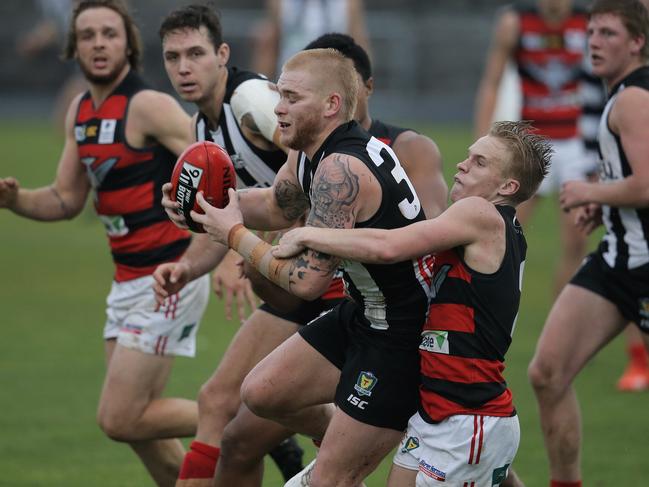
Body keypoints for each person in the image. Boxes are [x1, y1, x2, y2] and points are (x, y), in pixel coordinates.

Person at [155, 24, 446, 487]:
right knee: (260, 392)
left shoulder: (339, 168)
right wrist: (205, 208)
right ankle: (360, 430)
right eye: (279, 95)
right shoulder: (311, 151)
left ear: (332, 105)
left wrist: (233, 236)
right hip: (363, 313)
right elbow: (275, 204)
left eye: (291, 98)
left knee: (326, 480)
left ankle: (373, 436)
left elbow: (306, 282)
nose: (278, 109)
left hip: (401, 333)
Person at [269, 120, 551, 487]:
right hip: (436, 412)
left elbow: (389, 246)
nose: (462, 165)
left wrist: (310, 233)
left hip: (469, 415)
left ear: (508, 187)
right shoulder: (496, 228)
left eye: (480, 162)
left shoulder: (481, 214)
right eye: (468, 156)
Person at [0, 1, 212, 485]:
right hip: (125, 282)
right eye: (88, 34)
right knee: (142, 433)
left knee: (119, 417)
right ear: (73, 45)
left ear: (128, 45)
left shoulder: (148, 105)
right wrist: (15, 201)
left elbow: (212, 162)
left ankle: (251, 416)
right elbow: (65, 199)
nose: (99, 43)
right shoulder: (81, 111)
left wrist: (221, 246)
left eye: (110, 34)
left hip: (169, 275)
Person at [156, 5, 310, 484]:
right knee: (227, 406)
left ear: (223, 54)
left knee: (228, 402)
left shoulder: (250, 100)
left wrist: (256, 243)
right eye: (173, 57)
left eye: (196, 53)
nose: (184, 67)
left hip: (329, 273)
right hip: (295, 276)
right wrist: (186, 268)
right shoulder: (203, 131)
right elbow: (226, 220)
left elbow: (314, 158)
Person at [528, 1, 649, 486]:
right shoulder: (619, 95)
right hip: (618, 260)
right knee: (547, 373)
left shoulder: (634, 99)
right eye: (591, 32)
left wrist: (590, 190)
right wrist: (607, 204)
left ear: (637, 42)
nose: (593, 42)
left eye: (608, 33)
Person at [474, 0, 593, 296]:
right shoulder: (515, 22)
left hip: (577, 145)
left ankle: (564, 321)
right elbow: (493, 81)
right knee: (499, 229)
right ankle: (485, 304)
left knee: (577, 241)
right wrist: (481, 141)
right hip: (532, 143)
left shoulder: (589, 22)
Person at [250, 0, 370, 80]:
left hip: (333, 79)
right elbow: (269, 46)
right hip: (292, 76)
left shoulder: (348, 3)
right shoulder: (280, 3)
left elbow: (359, 44)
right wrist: (261, 84)